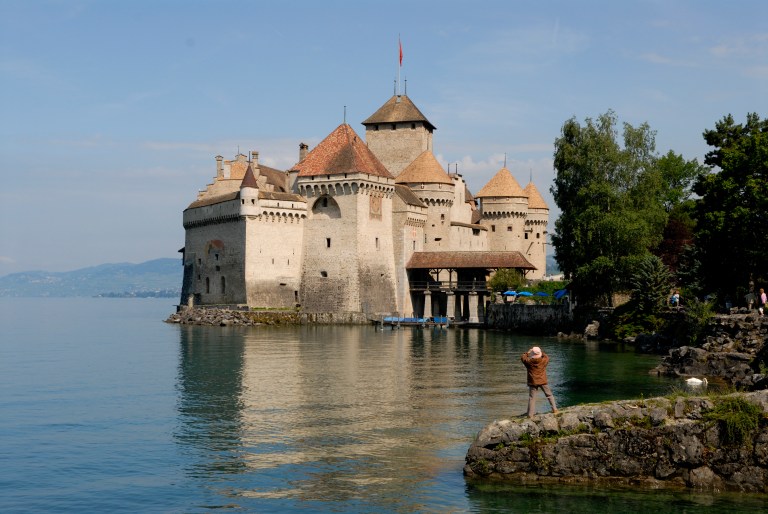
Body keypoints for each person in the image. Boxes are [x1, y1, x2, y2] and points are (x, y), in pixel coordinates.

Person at [521, 346, 558, 418]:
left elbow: (523, 357)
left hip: (533, 382)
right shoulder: (544, 360)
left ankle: (530, 415)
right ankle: (555, 409)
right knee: (549, 395)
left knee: (532, 398)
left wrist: (528, 352)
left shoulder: (528, 362)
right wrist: (541, 352)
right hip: (543, 381)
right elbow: (547, 357)